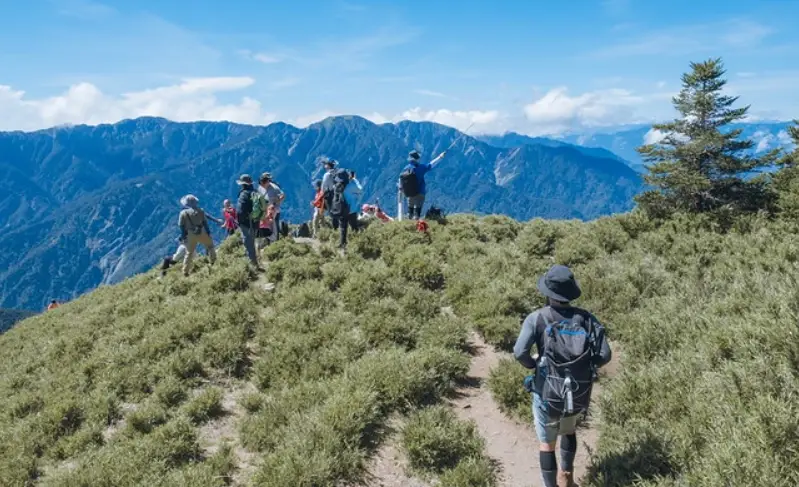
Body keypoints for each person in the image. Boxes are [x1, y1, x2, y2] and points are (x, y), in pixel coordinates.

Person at [513, 265, 612, 487]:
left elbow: (519, 352)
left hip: (547, 392)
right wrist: (586, 365)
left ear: (548, 293)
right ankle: (567, 477)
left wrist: (534, 365)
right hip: (577, 390)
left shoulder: (536, 318)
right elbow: (605, 354)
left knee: (547, 443)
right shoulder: (586, 318)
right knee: (569, 430)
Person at [399, 149, 446, 220]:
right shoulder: (420, 168)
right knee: (418, 211)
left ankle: (409, 223)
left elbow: (401, 179)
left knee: (410, 211)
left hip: (409, 193)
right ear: (417, 159)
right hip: (420, 192)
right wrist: (440, 157)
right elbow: (431, 165)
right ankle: (417, 222)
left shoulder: (406, 168)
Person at [178, 194, 217, 276]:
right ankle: (213, 262)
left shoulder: (183, 213)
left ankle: (185, 272)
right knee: (210, 246)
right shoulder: (200, 210)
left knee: (189, 253)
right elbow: (205, 223)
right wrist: (208, 232)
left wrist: (184, 236)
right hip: (201, 231)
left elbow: (181, 226)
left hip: (190, 234)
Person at [235, 174, 265, 271]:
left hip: (247, 223)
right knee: (251, 242)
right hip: (255, 222)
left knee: (248, 243)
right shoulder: (255, 192)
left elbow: (240, 211)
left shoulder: (244, 194)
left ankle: (253, 266)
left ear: (243, 184)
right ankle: (254, 262)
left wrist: (240, 221)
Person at [329, 169, 362, 252]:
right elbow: (360, 189)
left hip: (341, 210)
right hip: (351, 210)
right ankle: (358, 243)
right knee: (354, 227)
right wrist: (354, 179)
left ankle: (343, 244)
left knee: (343, 228)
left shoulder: (336, 186)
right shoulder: (351, 186)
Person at [258, 172, 285, 241]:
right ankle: (268, 241)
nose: (263, 184)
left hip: (274, 211)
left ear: (268, 181)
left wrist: (275, 203)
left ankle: (276, 242)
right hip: (266, 210)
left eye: (265, 182)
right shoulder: (260, 187)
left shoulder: (274, 188)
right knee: (266, 227)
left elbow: (282, 196)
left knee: (274, 227)